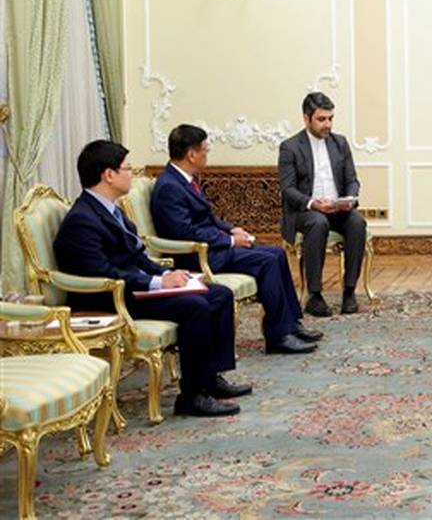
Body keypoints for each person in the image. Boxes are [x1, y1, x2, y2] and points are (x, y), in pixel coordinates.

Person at [54, 140, 249, 417]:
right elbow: (103, 273)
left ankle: (210, 378)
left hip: (134, 288)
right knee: (194, 306)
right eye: (127, 169)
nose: (131, 174)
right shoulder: (82, 220)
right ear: (108, 175)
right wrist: (156, 283)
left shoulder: (112, 209)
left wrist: (166, 274)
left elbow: (138, 257)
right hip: (111, 299)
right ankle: (192, 397)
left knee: (219, 294)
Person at [150, 124, 319, 354]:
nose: (207, 154)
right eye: (205, 150)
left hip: (214, 246)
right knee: (267, 261)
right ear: (191, 154)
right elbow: (186, 232)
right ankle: (278, 336)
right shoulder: (169, 187)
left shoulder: (186, 179)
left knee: (278, 253)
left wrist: (232, 230)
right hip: (197, 257)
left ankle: (290, 324)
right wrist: (229, 241)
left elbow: (208, 218)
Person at [277, 91, 368, 316]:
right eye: (321, 119)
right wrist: (313, 203)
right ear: (306, 118)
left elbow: (352, 180)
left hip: (337, 209)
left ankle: (349, 291)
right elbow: (288, 189)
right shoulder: (290, 147)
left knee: (357, 222)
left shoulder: (340, 143)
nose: (327, 124)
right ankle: (314, 295)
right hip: (306, 211)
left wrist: (349, 200)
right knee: (318, 223)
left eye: (330, 118)